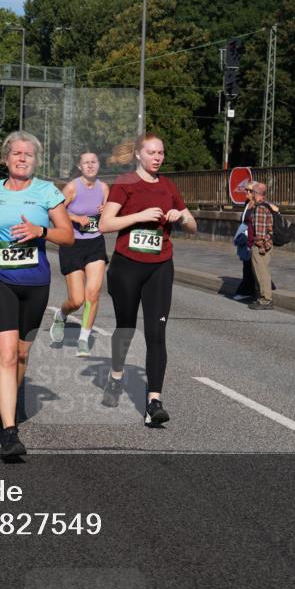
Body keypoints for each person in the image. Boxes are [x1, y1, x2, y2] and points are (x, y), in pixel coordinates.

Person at [0, 130, 73, 459]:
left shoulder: (47, 191)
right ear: (6, 159)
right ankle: (9, 431)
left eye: (28, 154)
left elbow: (68, 235)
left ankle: (10, 394)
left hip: (35, 282)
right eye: (16, 153)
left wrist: (41, 231)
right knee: (7, 353)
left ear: (36, 161)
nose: (22, 158)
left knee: (22, 355)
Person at [98, 133, 197, 424]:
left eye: (161, 153)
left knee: (156, 334)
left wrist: (182, 217)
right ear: (138, 155)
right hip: (127, 266)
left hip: (160, 267)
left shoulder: (168, 186)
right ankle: (116, 376)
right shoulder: (125, 183)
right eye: (151, 152)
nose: (157, 157)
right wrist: (139, 216)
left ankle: (154, 402)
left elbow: (193, 225)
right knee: (126, 328)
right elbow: (105, 224)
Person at [49, 150, 110, 357]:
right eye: (86, 162)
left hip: (95, 243)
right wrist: (75, 218)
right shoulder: (72, 187)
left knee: (93, 293)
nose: (90, 165)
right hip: (72, 244)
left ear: (99, 164)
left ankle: (83, 339)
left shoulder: (104, 188)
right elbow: (55, 212)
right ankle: (62, 314)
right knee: (76, 300)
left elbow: (109, 214)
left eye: (94, 162)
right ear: (80, 166)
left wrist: (105, 211)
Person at [247, 181, 275, 310]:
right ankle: (263, 298)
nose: (250, 193)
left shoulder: (259, 208)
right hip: (266, 244)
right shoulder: (266, 205)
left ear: (256, 193)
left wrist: (261, 247)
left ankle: (265, 300)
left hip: (260, 246)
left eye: (252, 191)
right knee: (262, 272)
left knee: (261, 272)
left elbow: (260, 232)